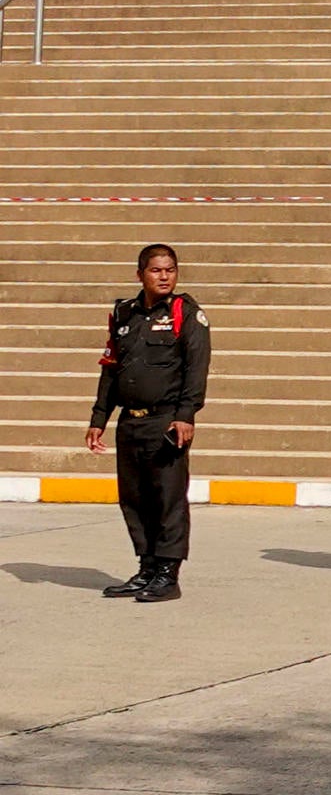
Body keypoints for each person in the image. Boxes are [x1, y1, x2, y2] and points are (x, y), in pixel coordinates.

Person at [85, 244, 211, 603]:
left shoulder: (185, 313)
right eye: (156, 270)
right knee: (134, 499)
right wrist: (99, 417)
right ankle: (147, 567)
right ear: (140, 274)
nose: (164, 276)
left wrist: (185, 415)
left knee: (167, 499)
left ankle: (168, 574)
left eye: (170, 270)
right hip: (131, 421)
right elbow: (111, 369)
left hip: (165, 422)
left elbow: (196, 368)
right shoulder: (124, 313)